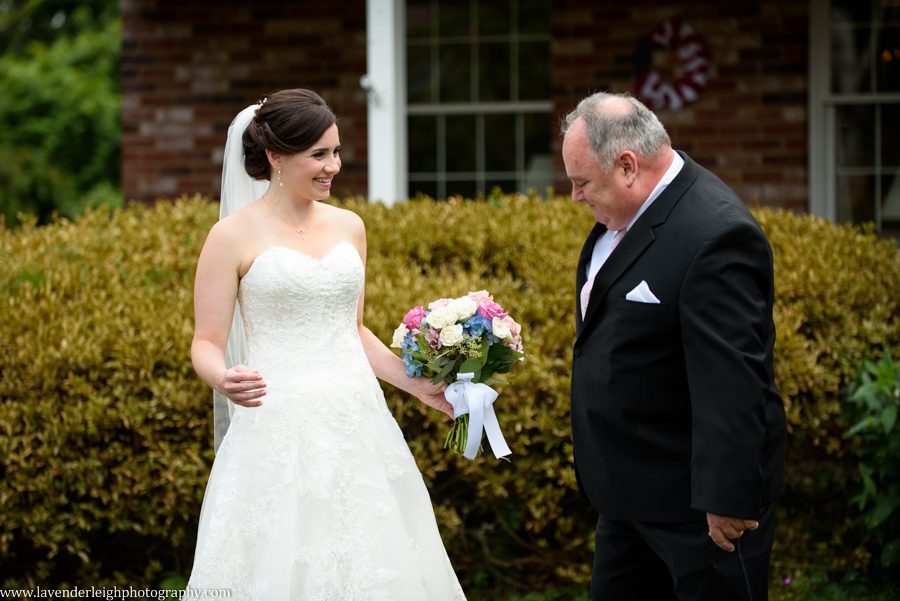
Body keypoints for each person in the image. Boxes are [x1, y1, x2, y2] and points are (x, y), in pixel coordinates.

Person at [186, 88, 466, 600]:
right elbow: (206, 341)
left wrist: (416, 384)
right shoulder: (230, 237)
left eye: (336, 151)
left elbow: (352, 331)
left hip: (357, 422)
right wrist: (222, 376)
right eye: (318, 154)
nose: (333, 166)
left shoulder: (350, 227)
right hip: (275, 426)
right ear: (275, 157)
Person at [561, 91, 786, 601]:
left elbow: (735, 378)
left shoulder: (716, 234)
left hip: (699, 513)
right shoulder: (621, 216)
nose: (575, 196)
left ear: (627, 166)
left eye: (581, 183)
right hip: (627, 499)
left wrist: (726, 499)